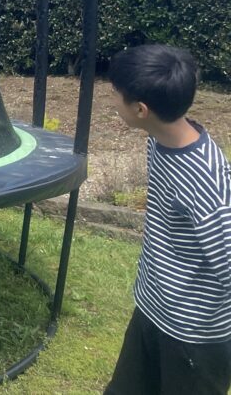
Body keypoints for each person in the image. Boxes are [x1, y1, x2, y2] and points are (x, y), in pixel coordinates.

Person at [103, 44, 231, 395]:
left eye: (115, 94)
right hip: (152, 308)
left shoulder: (207, 182)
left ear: (141, 109)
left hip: (194, 338)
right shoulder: (158, 142)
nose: (112, 101)